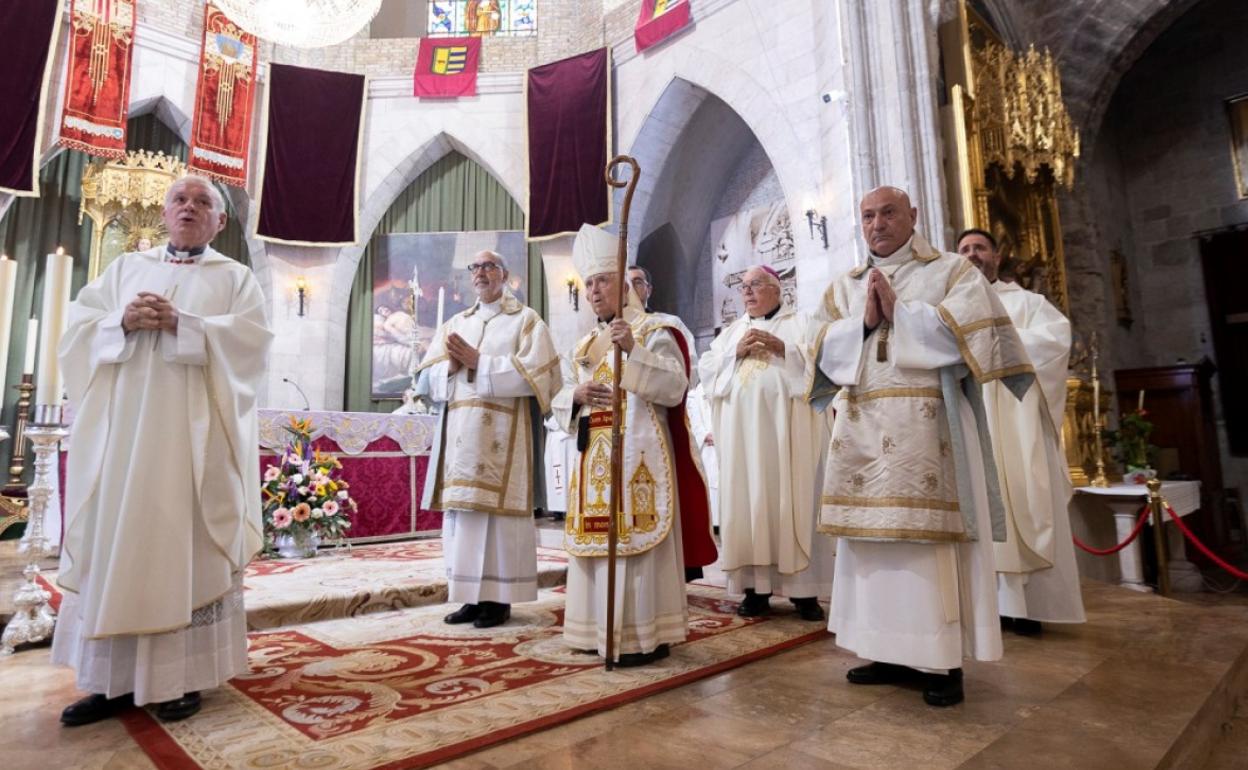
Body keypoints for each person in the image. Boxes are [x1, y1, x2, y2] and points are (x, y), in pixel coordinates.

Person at [54, 175, 272, 725]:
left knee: (184, 546)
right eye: (180, 200)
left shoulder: (237, 279)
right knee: (119, 541)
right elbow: (76, 332)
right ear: (164, 211)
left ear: (221, 222)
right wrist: (120, 321)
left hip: (191, 446)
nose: (189, 208)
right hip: (123, 442)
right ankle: (110, 682)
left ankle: (179, 679)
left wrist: (186, 324)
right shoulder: (126, 269)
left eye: (203, 203)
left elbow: (252, 349)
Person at [808, 186, 1033, 707]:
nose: (877, 224)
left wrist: (904, 316)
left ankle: (942, 660)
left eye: (888, 213)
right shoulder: (844, 286)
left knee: (928, 551)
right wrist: (863, 323)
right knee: (872, 549)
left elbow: (975, 334)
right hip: (862, 431)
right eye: (867, 215)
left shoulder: (952, 271)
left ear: (913, 215)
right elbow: (814, 346)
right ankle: (882, 649)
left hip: (930, 432)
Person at [553, 224, 716, 667]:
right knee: (597, 540)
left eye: (601, 280)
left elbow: (675, 385)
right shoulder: (585, 343)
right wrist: (575, 397)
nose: (592, 291)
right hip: (595, 457)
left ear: (624, 283)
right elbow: (561, 396)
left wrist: (634, 352)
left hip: (640, 454)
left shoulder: (655, 329)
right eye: (588, 283)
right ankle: (594, 631)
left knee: (637, 540)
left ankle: (646, 634)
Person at [415, 250, 560, 629]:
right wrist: (448, 368)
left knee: (499, 523)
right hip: (461, 440)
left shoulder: (525, 321)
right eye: (475, 268)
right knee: (464, 518)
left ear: (505, 275)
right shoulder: (455, 323)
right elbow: (425, 382)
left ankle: (499, 599)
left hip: (504, 438)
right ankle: (469, 597)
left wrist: (483, 363)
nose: (480, 273)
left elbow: (539, 376)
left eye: (489, 266)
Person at [958, 228, 1085, 635]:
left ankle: (1026, 607)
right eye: (964, 250)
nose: (972, 254)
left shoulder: (1028, 303)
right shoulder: (950, 308)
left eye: (979, 248)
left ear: (997, 257)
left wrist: (999, 340)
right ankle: (981, 605)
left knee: (1023, 498)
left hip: (1017, 420)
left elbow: (1054, 343)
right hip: (973, 420)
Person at [698, 265, 831, 621]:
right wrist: (734, 354)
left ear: (777, 288)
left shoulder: (801, 323)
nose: (747, 292)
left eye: (755, 284)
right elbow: (707, 371)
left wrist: (784, 349)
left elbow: (823, 367)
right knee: (749, 503)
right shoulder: (731, 333)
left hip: (788, 439)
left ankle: (804, 593)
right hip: (742, 440)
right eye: (743, 287)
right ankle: (755, 590)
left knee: (793, 502)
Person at [628, 265, 697, 383]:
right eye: (627, 284)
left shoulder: (670, 323)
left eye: (637, 282)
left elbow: (689, 369)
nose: (631, 288)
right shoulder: (613, 328)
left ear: (648, 290)